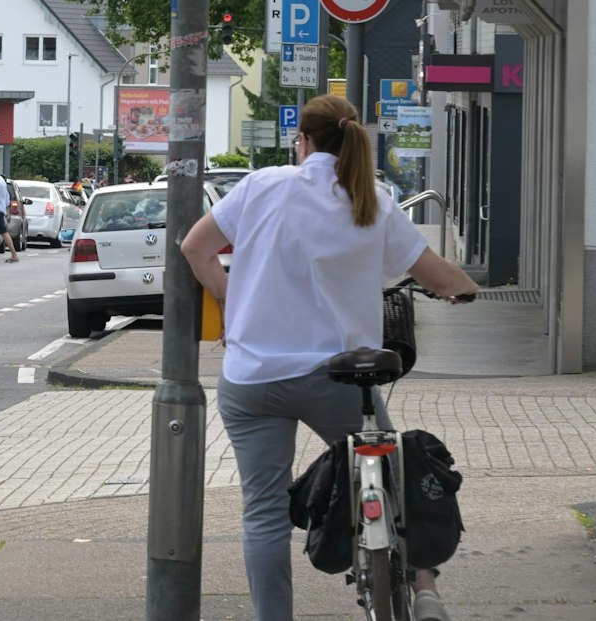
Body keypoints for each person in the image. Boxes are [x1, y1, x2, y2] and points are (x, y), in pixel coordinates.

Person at [180, 95, 478, 621]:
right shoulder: (373, 198)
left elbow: (195, 249)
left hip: (251, 380)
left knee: (265, 511)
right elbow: (437, 276)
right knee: (394, 473)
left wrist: (232, 300)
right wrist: (466, 287)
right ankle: (424, 588)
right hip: (336, 380)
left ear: (304, 141)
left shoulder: (260, 185)